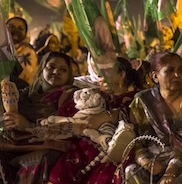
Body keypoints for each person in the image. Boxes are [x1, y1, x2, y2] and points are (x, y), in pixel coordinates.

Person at [48, 58, 142, 183]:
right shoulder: (95, 96)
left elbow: (136, 118)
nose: (101, 79)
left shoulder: (136, 98)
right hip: (82, 147)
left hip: (115, 149)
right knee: (59, 173)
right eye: (99, 75)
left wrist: (107, 117)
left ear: (121, 75)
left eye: (105, 74)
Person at [125, 52, 182, 184]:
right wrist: (146, 162)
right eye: (170, 71)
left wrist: (171, 170)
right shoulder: (142, 101)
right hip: (151, 160)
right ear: (155, 76)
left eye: (180, 70)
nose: (177, 75)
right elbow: (135, 139)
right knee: (130, 171)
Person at [0, 52, 78, 183]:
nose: (56, 71)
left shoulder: (71, 97)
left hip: (47, 146)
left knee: (42, 158)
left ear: (69, 75)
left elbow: (71, 129)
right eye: (51, 67)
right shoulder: (26, 94)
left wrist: (29, 126)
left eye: (63, 70)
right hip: (15, 143)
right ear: (42, 69)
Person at [7, 17, 38, 85]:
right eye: (11, 26)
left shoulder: (28, 53)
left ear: (25, 33)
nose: (15, 30)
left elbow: (27, 78)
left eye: (20, 28)